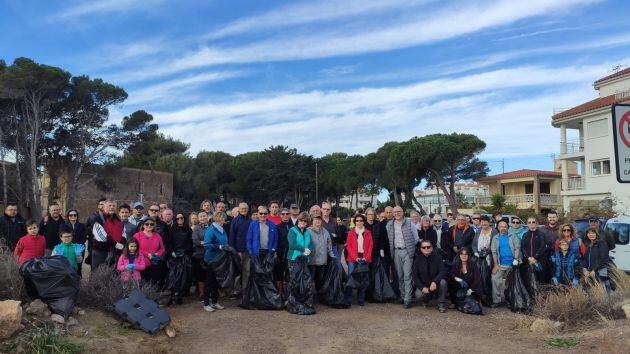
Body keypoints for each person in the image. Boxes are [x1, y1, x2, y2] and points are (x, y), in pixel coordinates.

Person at [387, 206, 419, 308]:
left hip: (407, 252)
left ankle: (408, 299)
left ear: (403, 212)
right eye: (394, 212)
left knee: (407, 276)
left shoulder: (410, 223)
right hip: (395, 252)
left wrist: (410, 249)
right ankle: (403, 296)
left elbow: (416, 238)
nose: (397, 213)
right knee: (399, 276)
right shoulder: (389, 224)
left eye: (399, 211)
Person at [490, 220, 520, 307]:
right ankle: (497, 301)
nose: (503, 228)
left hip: (511, 264)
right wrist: (495, 265)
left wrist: (516, 259)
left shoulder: (512, 236)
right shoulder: (495, 238)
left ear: (507, 227)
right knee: (495, 279)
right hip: (500, 264)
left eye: (505, 227)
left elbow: (517, 248)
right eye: (501, 226)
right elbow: (494, 252)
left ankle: (509, 300)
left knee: (510, 283)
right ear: (498, 227)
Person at [344, 214, 373, 306]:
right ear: (355, 222)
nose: (359, 222)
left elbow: (370, 246)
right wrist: (355, 257)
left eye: (361, 220)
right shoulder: (351, 232)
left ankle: (361, 299)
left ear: (363, 222)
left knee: (363, 279)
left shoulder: (368, 232)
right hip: (353, 259)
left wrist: (366, 257)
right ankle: (348, 299)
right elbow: (348, 246)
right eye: (357, 221)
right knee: (351, 278)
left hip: (364, 258)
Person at [412, 240, 448, 312]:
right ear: (421, 249)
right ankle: (426, 299)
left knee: (443, 282)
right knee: (418, 295)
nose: (426, 249)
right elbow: (414, 276)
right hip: (424, 285)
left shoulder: (437, 258)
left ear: (431, 248)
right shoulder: (417, 260)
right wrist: (422, 287)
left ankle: (441, 303)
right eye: (424, 247)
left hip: (435, 284)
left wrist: (435, 282)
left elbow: (443, 271)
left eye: (428, 247)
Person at [203, 212, 228, 312]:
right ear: (218, 219)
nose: (224, 221)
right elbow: (207, 245)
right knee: (209, 282)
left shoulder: (222, 229)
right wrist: (219, 247)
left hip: (220, 260)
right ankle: (206, 304)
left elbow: (225, 241)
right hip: (211, 260)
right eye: (223, 219)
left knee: (216, 282)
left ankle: (214, 302)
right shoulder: (211, 230)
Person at [90, 200, 125, 270]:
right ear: (104, 207)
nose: (112, 207)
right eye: (109, 205)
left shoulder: (118, 220)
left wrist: (124, 243)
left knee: (113, 275)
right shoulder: (97, 218)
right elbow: (101, 236)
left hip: (115, 252)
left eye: (114, 206)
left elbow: (121, 234)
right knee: (98, 274)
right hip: (101, 252)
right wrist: (115, 244)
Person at [472, 215, 496, 305]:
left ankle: (488, 298)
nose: (484, 223)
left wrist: (487, 252)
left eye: (485, 221)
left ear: (489, 222)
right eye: (482, 222)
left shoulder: (494, 231)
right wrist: (475, 252)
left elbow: (494, 245)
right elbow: (474, 245)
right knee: (479, 278)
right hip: (478, 258)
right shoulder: (478, 231)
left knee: (487, 278)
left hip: (489, 258)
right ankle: (480, 297)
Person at [134, 219, 165, 285]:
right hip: (141, 263)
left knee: (154, 284)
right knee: (142, 284)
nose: (149, 225)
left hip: (154, 263)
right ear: (143, 225)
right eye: (147, 224)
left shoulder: (157, 236)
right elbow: (135, 248)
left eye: (151, 224)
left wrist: (157, 254)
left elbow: (162, 249)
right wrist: (148, 254)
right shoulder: (137, 235)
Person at [229, 202, 251, 295]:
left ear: (248, 209)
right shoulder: (235, 220)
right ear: (239, 209)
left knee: (247, 271)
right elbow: (232, 236)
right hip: (238, 250)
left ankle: (245, 289)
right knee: (237, 270)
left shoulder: (250, 221)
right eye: (242, 208)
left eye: (245, 208)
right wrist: (232, 249)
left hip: (248, 250)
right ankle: (236, 290)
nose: (244, 210)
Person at [308, 216, 334, 290]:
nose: (317, 223)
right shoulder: (308, 231)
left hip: (322, 261)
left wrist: (332, 256)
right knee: (310, 280)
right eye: (315, 221)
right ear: (312, 222)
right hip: (311, 261)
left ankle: (319, 296)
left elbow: (329, 245)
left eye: (319, 221)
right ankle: (309, 297)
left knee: (320, 280)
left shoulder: (325, 231)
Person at [520, 217, 546, 283]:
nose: (531, 224)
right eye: (529, 222)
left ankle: (540, 293)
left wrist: (535, 258)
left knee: (540, 280)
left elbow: (542, 247)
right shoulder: (525, 235)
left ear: (536, 224)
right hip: (527, 261)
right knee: (528, 280)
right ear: (527, 224)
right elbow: (523, 248)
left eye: (533, 222)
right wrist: (528, 257)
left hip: (538, 260)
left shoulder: (541, 234)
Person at [63, 209, 87, 276]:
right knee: (68, 265)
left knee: (79, 266)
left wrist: (78, 245)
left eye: (74, 215)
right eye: (70, 215)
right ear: (68, 216)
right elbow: (62, 237)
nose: (73, 216)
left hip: (79, 248)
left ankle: (78, 282)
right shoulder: (64, 226)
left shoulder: (82, 226)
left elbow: (84, 237)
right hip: (68, 247)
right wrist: (71, 245)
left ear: (77, 216)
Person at [192, 211, 210, 301]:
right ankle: (202, 294)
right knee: (201, 275)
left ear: (207, 217)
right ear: (198, 219)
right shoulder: (196, 228)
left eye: (204, 216)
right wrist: (204, 243)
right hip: (200, 254)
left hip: (210, 254)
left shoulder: (211, 226)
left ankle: (210, 292)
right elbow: (195, 240)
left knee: (209, 274)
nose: (203, 218)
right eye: (201, 216)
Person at [275, 208, 291, 295]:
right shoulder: (277, 227)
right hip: (280, 253)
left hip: (291, 254)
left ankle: (288, 292)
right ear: (280, 215)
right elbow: (275, 240)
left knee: (289, 273)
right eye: (283, 214)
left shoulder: (294, 227)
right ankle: (280, 292)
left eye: (287, 214)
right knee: (279, 274)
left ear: (289, 215)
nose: (285, 215)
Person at [321, 201, 342, 270]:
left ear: (330, 210)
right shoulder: (317, 220)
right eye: (324, 209)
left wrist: (334, 235)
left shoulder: (334, 221)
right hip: (321, 248)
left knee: (338, 266)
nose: (326, 211)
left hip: (333, 247)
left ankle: (338, 280)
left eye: (328, 209)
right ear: (321, 209)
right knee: (323, 268)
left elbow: (339, 235)